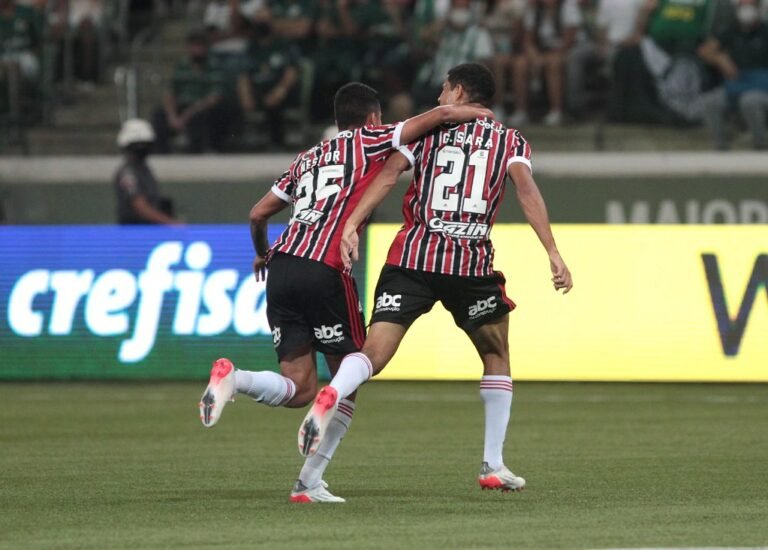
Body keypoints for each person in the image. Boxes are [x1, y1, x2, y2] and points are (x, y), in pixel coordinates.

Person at [198, 82, 492, 503]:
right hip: (326, 267)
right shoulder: (370, 139)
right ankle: (309, 481)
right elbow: (442, 116)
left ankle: (235, 380)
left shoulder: (307, 157)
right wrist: (482, 114)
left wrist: (262, 255)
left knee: (298, 387)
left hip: (282, 268)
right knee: (348, 378)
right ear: (373, 118)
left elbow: (258, 212)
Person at [299, 63, 573, 494]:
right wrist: (552, 251)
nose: (440, 96)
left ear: (460, 91)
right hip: (469, 263)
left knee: (373, 352)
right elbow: (526, 191)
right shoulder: (509, 139)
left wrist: (352, 222)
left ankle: (334, 390)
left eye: (445, 89)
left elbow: (388, 174)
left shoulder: (425, 131)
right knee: (496, 354)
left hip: (411, 257)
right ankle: (492, 464)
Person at [698, 0, 768, 150]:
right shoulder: (731, 31)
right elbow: (705, 51)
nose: (746, 10)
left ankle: (761, 145)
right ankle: (721, 146)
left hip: (762, 88)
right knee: (710, 101)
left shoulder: (765, 31)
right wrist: (721, 59)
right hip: (737, 84)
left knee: (749, 101)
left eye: (750, 7)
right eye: (743, 6)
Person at [151, 29, 231, 154]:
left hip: (201, 108)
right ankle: (162, 153)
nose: (196, 49)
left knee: (203, 117)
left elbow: (214, 97)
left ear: (206, 47)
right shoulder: (182, 65)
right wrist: (172, 116)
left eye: (199, 45)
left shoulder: (214, 66)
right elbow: (170, 93)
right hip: (182, 106)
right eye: (193, 45)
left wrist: (188, 114)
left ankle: (196, 152)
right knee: (159, 115)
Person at [113, 119, 180, 225]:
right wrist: (170, 223)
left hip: (150, 229)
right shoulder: (127, 173)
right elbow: (140, 207)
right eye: (138, 145)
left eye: (145, 144)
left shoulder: (145, 169)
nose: (142, 148)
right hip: (134, 233)